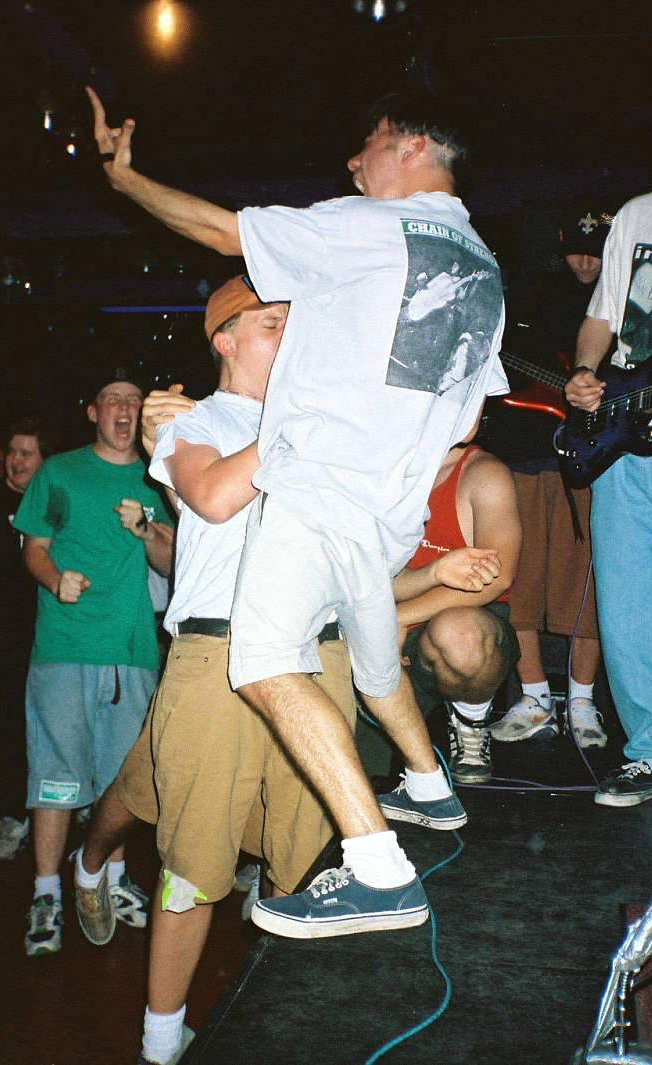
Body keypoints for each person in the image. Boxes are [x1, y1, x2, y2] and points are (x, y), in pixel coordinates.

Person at [87, 86, 508, 939]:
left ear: (412, 143)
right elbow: (467, 418)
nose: (354, 165)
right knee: (374, 658)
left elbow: (221, 231)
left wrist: (125, 183)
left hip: (324, 493)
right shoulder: (486, 270)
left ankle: (381, 868)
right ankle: (430, 785)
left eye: (368, 145)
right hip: (384, 511)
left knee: (266, 662)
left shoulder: (368, 224)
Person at [73, 278, 357, 1065]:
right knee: (186, 854)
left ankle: (268, 1016)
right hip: (221, 652)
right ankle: (158, 1042)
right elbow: (215, 493)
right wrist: (304, 424)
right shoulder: (190, 419)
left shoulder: (319, 428)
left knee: (298, 860)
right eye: (271, 325)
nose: (290, 339)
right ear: (224, 338)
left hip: (312, 655)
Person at [14, 372, 173, 955]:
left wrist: (147, 526)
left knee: (121, 780)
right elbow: (34, 548)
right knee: (55, 779)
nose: (124, 411)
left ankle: (110, 879)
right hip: (62, 648)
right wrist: (57, 582)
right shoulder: (58, 473)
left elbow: (169, 561)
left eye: (133, 402)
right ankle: (46, 894)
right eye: (113, 401)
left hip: (131, 651)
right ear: (93, 412)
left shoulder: (160, 477)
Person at [565, 79, 652, 806]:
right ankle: (650, 751)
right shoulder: (639, 217)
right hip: (624, 437)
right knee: (628, 603)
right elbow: (601, 318)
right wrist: (584, 373)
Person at [489, 202, 612, 749]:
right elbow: (506, 365)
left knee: (588, 579)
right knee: (522, 580)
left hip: (596, 457)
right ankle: (536, 696)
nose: (585, 261)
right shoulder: (530, 296)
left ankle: (582, 702)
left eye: (596, 250)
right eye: (576, 250)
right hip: (526, 451)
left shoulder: (619, 301)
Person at [387, 441, 522, 786]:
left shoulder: (483, 473)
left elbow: (497, 577)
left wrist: (400, 617)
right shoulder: (379, 461)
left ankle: (470, 715)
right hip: (383, 614)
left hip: (460, 617)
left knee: (461, 637)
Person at [0, 424, 50, 857]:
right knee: (2, 721)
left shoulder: (53, 499)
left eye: (27, 453)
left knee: (34, 726)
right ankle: (8, 806)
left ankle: (27, 816)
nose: (17, 460)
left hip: (45, 632)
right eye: (14, 451)